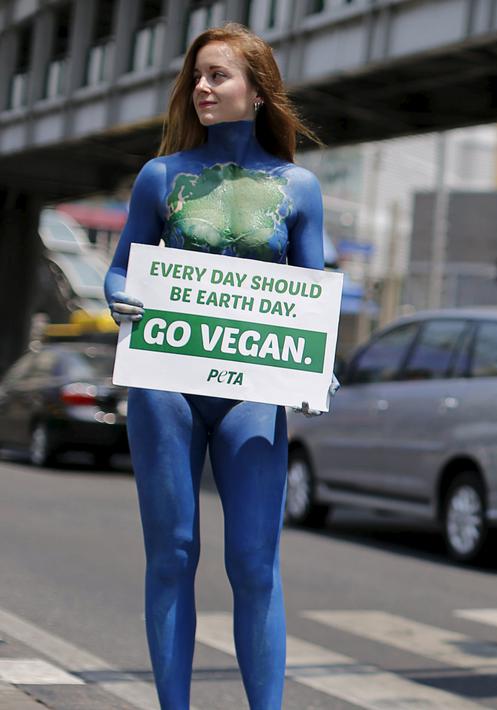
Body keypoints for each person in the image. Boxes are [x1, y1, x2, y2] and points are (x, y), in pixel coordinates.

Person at [104, 23, 330, 710]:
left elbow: (310, 295)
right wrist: (122, 300)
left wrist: (319, 368)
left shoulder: (299, 188)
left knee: (255, 566)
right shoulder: (161, 176)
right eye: (196, 76)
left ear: (258, 92)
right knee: (172, 554)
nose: (200, 87)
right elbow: (120, 272)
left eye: (217, 76)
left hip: (253, 391)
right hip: (166, 383)